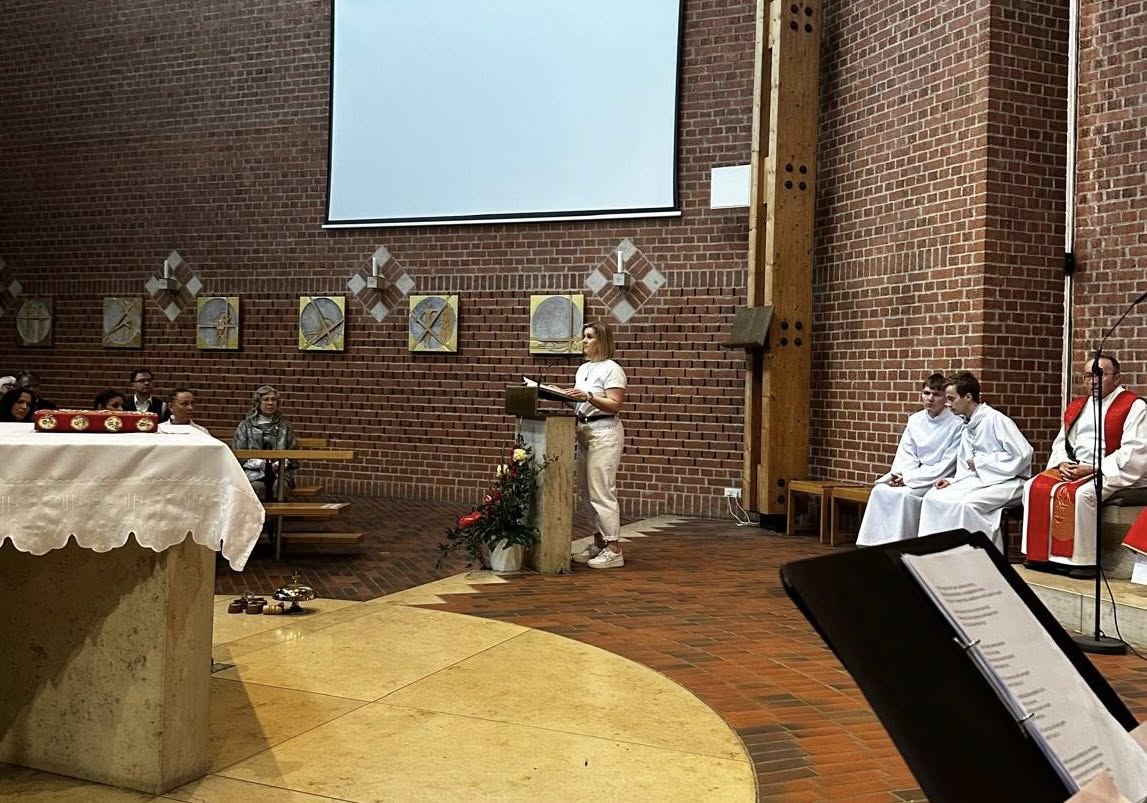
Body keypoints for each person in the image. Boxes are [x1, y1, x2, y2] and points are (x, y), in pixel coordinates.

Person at [1022, 355, 1147, 578]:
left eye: (1100, 375)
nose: (1093, 381)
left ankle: (1083, 561)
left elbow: (1134, 450)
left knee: (1082, 494)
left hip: (1111, 469)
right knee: (1033, 486)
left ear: (1117, 378)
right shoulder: (1078, 406)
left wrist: (1095, 468)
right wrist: (1062, 463)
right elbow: (1062, 442)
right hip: (1076, 467)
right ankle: (1042, 556)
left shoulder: (1133, 406)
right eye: (1089, 376)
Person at [918, 371, 1033, 551]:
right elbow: (966, 464)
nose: (947, 404)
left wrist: (981, 463)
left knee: (966, 505)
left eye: (951, 398)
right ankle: (937, 553)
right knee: (932, 497)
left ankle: (980, 555)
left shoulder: (995, 419)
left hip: (1012, 481)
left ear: (968, 397)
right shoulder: (967, 423)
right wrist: (953, 481)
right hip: (981, 480)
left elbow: (1023, 454)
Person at [856, 373, 963, 546]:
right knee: (880, 491)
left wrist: (909, 479)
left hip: (935, 478)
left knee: (905, 496)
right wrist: (899, 476)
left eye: (936, 395)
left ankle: (900, 545)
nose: (930, 399)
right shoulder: (915, 420)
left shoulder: (956, 424)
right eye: (926, 393)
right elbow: (906, 454)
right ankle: (872, 545)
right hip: (911, 474)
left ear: (946, 398)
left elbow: (947, 464)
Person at [565, 321, 627, 569]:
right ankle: (599, 543)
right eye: (584, 336)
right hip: (584, 429)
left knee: (601, 489)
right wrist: (561, 394)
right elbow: (581, 401)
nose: (584, 341)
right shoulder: (583, 369)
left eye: (589, 337)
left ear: (602, 340)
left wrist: (589, 397)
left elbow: (615, 404)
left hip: (604, 431)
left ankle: (614, 548)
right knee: (586, 491)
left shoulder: (612, 369)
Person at [232, 385, 299, 500]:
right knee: (257, 487)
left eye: (273, 400)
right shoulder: (246, 426)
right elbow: (239, 453)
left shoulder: (285, 426)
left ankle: (279, 511)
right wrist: (259, 464)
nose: (270, 403)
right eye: (266, 399)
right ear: (258, 402)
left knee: (280, 486)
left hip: (280, 472)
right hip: (252, 472)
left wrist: (280, 464)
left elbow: (292, 452)